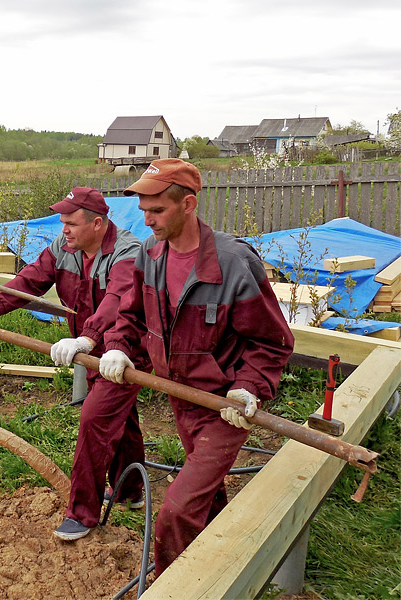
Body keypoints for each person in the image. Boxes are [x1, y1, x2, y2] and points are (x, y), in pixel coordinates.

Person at [96, 158, 294, 576]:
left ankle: (176, 583)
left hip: (224, 405)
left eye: (157, 210)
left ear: (188, 204)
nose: (147, 220)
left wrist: (248, 389)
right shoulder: (150, 256)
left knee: (176, 510)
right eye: (143, 210)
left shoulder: (232, 263)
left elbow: (272, 341)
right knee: (204, 493)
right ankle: (222, 557)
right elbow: (131, 316)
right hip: (180, 394)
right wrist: (117, 347)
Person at [0, 187, 150, 541]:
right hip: (92, 347)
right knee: (119, 416)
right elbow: (30, 278)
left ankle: (82, 513)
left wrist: (87, 337)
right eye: (62, 221)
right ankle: (130, 491)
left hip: (125, 349)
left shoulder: (127, 251)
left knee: (96, 418)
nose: (63, 228)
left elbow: (117, 300)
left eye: (71, 222)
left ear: (97, 223)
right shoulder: (65, 250)